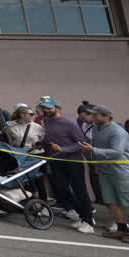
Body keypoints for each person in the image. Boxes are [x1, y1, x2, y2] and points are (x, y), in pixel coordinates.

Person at [80, 106, 129, 244]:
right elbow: (96, 148)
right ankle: (122, 229)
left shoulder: (118, 131)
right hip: (105, 171)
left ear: (106, 116)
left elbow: (117, 152)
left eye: (95, 115)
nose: (92, 117)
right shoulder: (96, 129)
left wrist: (93, 150)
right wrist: (97, 164)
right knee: (111, 201)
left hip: (121, 172)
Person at [37, 96, 96, 234]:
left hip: (73, 162)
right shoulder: (46, 121)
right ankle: (82, 215)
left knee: (80, 191)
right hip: (57, 161)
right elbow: (51, 137)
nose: (46, 110)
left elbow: (81, 143)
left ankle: (88, 221)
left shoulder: (69, 123)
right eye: (44, 108)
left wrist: (64, 149)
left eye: (49, 108)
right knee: (60, 190)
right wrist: (41, 142)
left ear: (57, 108)